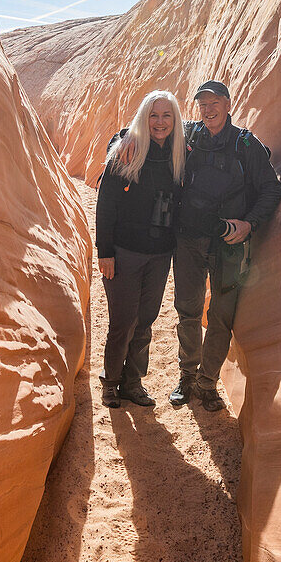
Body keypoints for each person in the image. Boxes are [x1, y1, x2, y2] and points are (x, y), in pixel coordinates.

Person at [113, 80, 281, 412]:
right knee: (188, 311)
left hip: (228, 245)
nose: (208, 110)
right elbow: (150, 129)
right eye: (202, 104)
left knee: (220, 315)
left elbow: (270, 189)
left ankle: (207, 383)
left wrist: (249, 223)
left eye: (214, 103)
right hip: (188, 240)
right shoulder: (188, 135)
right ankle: (187, 378)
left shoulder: (245, 144)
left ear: (228, 104)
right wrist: (124, 138)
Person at [95, 90, 185, 409]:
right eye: (154, 115)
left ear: (175, 120)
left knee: (145, 319)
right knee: (123, 320)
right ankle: (111, 382)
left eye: (166, 116)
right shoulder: (128, 149)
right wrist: (104, 251)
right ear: (144, 118)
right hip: (124, 251)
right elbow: (106, 202)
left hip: (160, 254)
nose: (160, 122)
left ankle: (133, 382)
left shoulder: (178, 152)